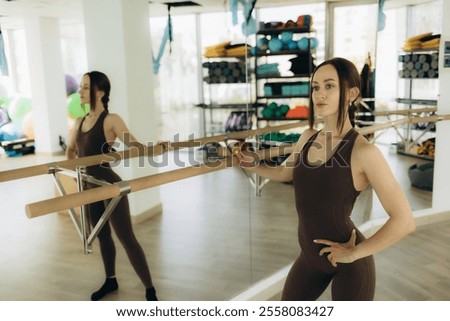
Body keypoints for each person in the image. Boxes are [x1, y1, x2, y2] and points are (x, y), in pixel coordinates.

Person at [234, 57, 416, 300]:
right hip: (310, 257)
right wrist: (252, 164)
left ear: (351, 93)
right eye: (315, 87)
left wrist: (355, 253)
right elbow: (284, 173)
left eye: (329, 86)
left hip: (349, 265)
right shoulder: (308, 136)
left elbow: (405, 221)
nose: (319, 94)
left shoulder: (364, 152)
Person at [65, 71, 158, 301]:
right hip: (88, 187)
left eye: (86, 87)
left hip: (109, 186)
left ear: (100, 92)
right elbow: (70, 151)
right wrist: (74, 173)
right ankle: (110, 280)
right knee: (102, 236)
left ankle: (150, 290)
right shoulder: (79, 122)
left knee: (126, 237)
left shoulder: (111, 120)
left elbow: (134, 145)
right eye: (81, 86)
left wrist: (156, 147)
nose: (81, 91)